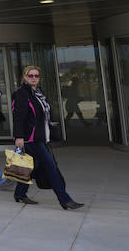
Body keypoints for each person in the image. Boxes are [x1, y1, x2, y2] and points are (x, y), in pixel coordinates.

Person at [12, 66, 84, 210]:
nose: (33, 78)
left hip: (41, 136)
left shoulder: (39, 92)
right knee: (51, 167)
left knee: (33, 166)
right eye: (30, 75)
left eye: (36, 76)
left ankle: (19, 193)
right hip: (30, 138)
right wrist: (19, 136)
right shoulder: (21, 93)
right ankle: (65, 200)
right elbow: (18, 117)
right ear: (25, 77)